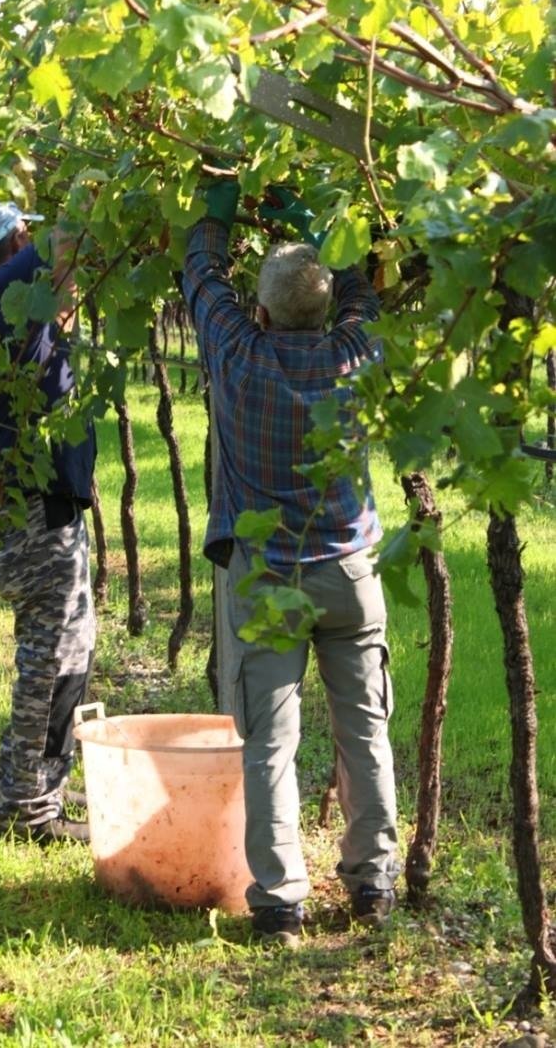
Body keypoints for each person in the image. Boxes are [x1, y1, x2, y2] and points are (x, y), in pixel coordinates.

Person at [182, 178, 399, 943]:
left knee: (270, 742)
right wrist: (320, 230)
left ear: (263, 312)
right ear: (327, 308)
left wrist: (220, 206)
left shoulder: (238, 356)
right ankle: (374, 886)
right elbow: (361, 291)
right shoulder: (356, 354)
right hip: (350, 577)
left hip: (269, 583)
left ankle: (279, 903)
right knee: (363, 731)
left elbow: (202, 279)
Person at [0, 199, 96, 844]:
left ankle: (23, 790)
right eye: (26, 233)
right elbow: (69, 241)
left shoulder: (8, 305)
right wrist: (101, 185)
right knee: (51, 658)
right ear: (13, 242)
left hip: (37, 503)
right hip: (32, 511)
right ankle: (25, 811)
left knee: (64, 651)